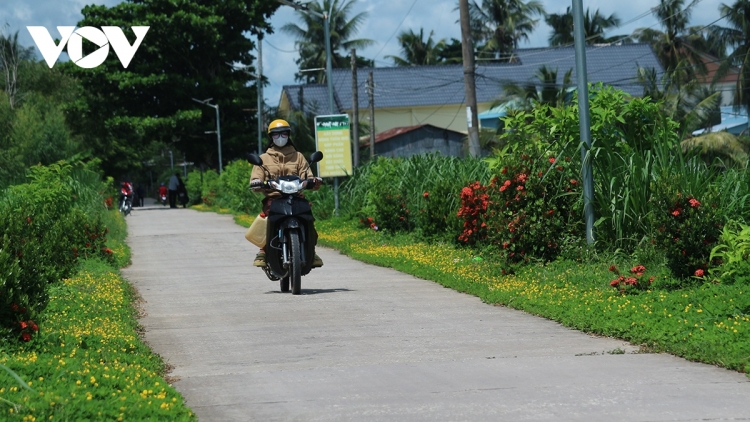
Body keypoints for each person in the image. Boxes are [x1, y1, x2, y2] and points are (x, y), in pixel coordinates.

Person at [250, 119, 323, 268]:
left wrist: (313, 181)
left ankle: (311, 250)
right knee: (268, 217)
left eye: (283, 133)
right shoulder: (264, 158)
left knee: (308, 218)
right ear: (271, 137)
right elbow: (257, 177)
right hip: (274, 198)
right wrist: (257, 182)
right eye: (276, 135)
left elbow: (307, 175)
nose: (280, 137)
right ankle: (263, 250)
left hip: (296, 197)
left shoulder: (299, 157)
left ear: (288, 135)